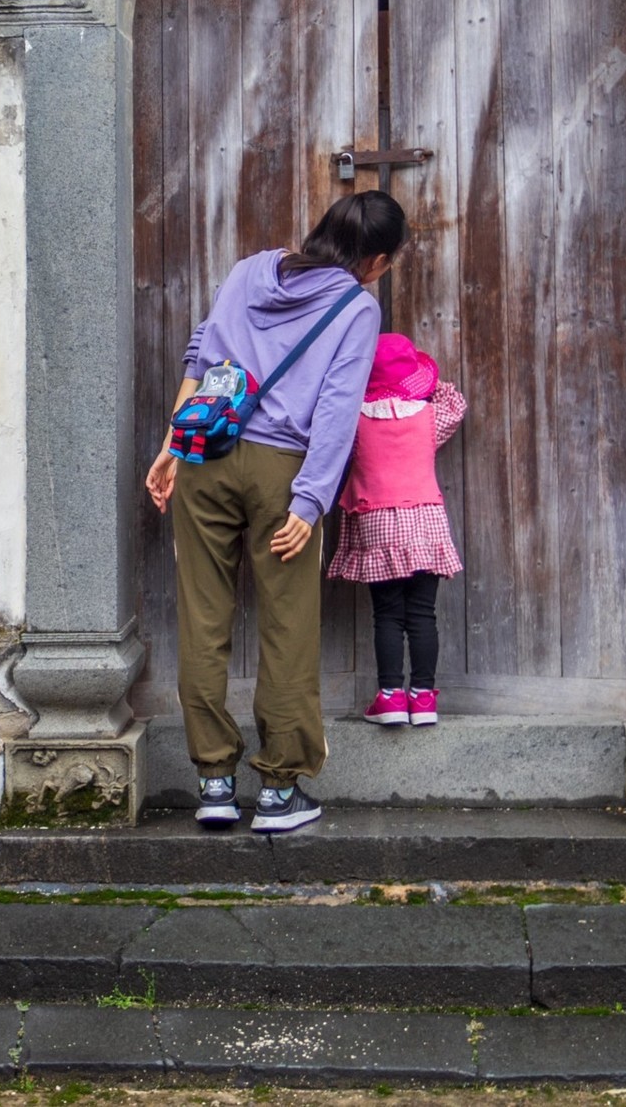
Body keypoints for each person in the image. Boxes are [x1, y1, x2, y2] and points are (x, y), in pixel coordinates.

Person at [145, 190, 408, 833]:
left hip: (205, 453)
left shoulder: (249, 270)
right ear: (375, 260)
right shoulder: (357, 307)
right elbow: (338, 407)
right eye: (389, 261)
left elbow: (203, 356)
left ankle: (211, 782)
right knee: (287, 625)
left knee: (202, 617)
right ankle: (278, 792)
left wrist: (173, 444)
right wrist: (312, 497)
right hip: (281, 469)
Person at [326, 332, 466, 726]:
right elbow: (454, 402)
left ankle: (389, 697)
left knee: (387, 614)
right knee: (423, 613)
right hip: (426, 520)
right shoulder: (429, 418)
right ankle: (422, 698)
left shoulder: (356, 422)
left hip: (377, 519)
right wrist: (423, 382)